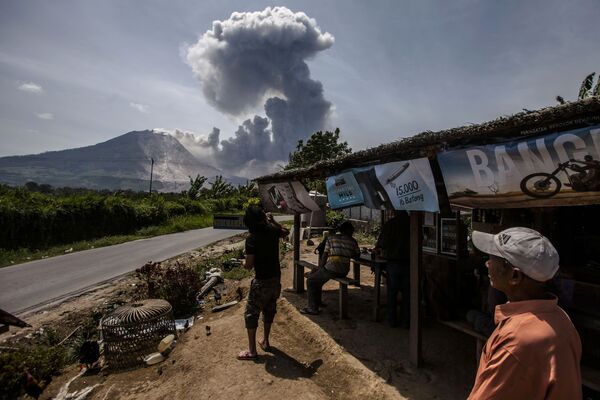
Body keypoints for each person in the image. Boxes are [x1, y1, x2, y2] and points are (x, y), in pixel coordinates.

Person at [468, 227, 582, 399]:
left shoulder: (517, 340)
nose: (487, 263)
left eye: (493, 258)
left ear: (514, 276)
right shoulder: (560, 318)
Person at [237, 205, 289, 360]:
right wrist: (273, 220)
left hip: (262, 282)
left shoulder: (251, 239)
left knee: (251, 314)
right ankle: (266, 341)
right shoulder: (273, 230)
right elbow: (285, 231)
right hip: (276, 279)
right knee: (269, 309)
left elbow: (249, 266)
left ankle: (252, 351)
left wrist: (242, 262)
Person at [301, 221, 360, 315]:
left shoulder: (331, 238)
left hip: (332, 268)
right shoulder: (353, 241)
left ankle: (313, 308)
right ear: (350, 231)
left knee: (311, 281)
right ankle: (318, 303)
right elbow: (357, 256)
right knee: (316, 278)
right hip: (344, 270)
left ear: (341, 230)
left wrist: (321, 268)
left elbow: (325, 255)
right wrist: (347, 252)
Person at [374, 211, 411, 328]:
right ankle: (406, 321)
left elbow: (382, 243)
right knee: (408, 294)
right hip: (410, 263)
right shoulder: (413, 223)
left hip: (393, 263)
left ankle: (392, 320)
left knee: (392, 293)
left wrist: (379, 249)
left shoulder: (390, 224)